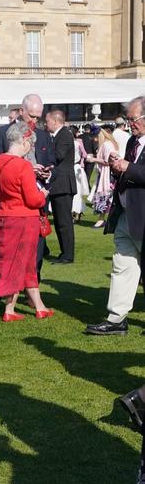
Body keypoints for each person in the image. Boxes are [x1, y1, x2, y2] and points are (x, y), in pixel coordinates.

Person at [85, 96, 145, 336]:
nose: (129, 123)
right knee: (122, 264)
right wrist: (117, 166)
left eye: (133, 119)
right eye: (128, 119)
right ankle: (116, 318)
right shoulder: (132, 141)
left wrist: (127, 167)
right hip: (126, 213)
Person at [0, 121, 53, 322]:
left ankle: (39, 306)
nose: (31, 149)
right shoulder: (23, 165)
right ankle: (9, 309)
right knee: (21, 262)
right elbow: (33, 199)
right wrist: (44, 192)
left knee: (24, 264)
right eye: (30, 144)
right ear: (25, 141)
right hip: (25, 219)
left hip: (5, 215)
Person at [44, 110, 76, 263]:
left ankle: (67, 255)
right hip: (58, 184)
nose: (45, 124)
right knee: (59, 221)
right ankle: (65, 253)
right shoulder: (59, 135)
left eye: (47, 121)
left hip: (63, 184)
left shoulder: (64, 134)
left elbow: (58, 155)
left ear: (55, 121)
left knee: (64, 222)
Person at [88, 127, 118, 228]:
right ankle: (103, 219)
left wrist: (93, 159)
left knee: (107, 195)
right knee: (108, 196)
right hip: (107, 173)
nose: (94, 140)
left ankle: (102, 219)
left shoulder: (106, 144)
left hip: (108, 174)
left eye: (95, 137)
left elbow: (107, 161)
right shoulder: (108, 143)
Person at [72, 127, 90, 223]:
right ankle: (77, 212)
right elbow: (85, 154)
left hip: (72, 167)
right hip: (77, 167)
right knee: (77, 192)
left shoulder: (74, 142)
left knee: (74, 192)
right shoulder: (78, 142)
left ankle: (76, 212)